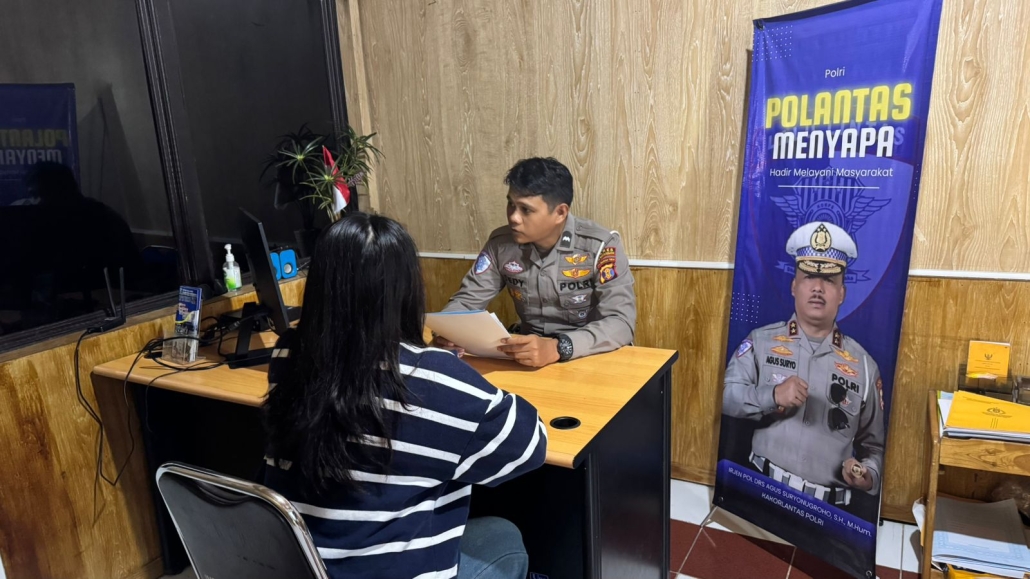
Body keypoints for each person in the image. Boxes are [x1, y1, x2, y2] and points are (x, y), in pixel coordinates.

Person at [262, 213, 548, 579]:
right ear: (406, 289)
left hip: (303, 565)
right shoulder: (432, 379)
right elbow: (531, 446)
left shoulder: (287, 354)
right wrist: (450, 373)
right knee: (503, 537)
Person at [721, 221, 886, 520]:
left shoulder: (864, 366)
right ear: (794, 286)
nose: (818, 288)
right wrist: (772, 395)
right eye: (809, 276)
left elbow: (875, 447)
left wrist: (867, 476)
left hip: (827, 515)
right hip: (760, 493)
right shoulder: (760, 341)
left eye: (830, 280)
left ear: (842, 293)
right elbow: (727, 398)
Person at [437, 157, 636, 367]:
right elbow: (467, 301)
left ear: (560, 213)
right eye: (511, 204)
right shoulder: (501, 244)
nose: (513, 217)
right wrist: (449, 330)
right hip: (528, 358)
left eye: (526, 209)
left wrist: (558, 347)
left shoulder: (599, 245)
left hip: (589, 356)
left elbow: (620, 322)